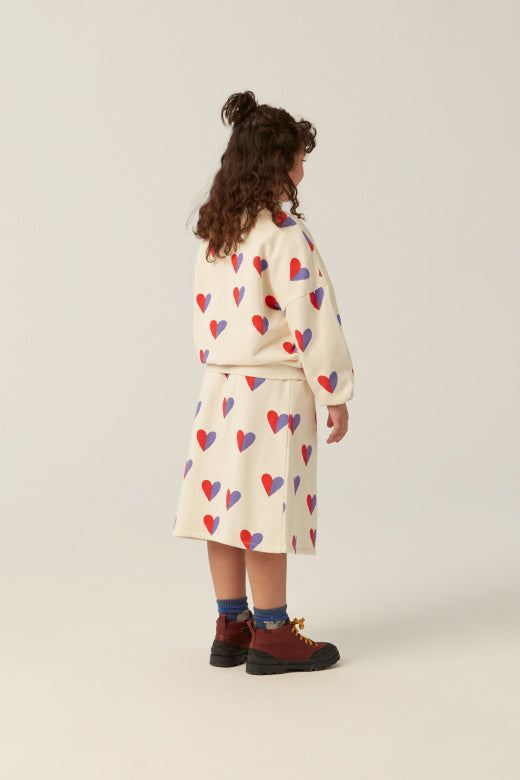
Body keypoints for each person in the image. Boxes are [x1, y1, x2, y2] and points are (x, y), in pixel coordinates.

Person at [172, 90, 355, 674]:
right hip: (273, 390)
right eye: (299, 159)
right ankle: (273, 633)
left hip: (220, 389)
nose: (303, 171)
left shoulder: (217, 231)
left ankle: (232, 625)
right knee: (265, 511)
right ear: (278, 164)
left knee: (222, 507)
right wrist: (334, 390)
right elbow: (312, 316)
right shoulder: (284, 233)